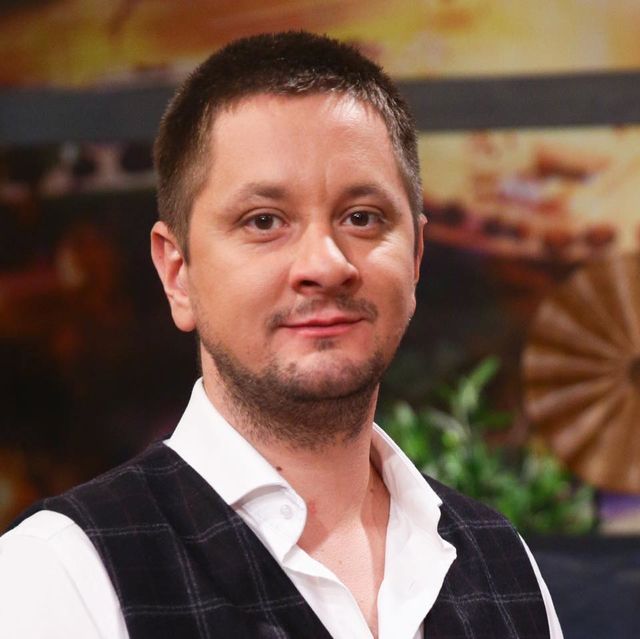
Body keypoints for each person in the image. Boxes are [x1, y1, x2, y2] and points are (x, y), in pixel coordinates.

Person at [0, 31, 562, 639]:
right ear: (178, 273)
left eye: (362, 217)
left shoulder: (505, 563)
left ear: (417, 256)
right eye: (264, 221)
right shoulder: (58, 577)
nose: (325, 264)